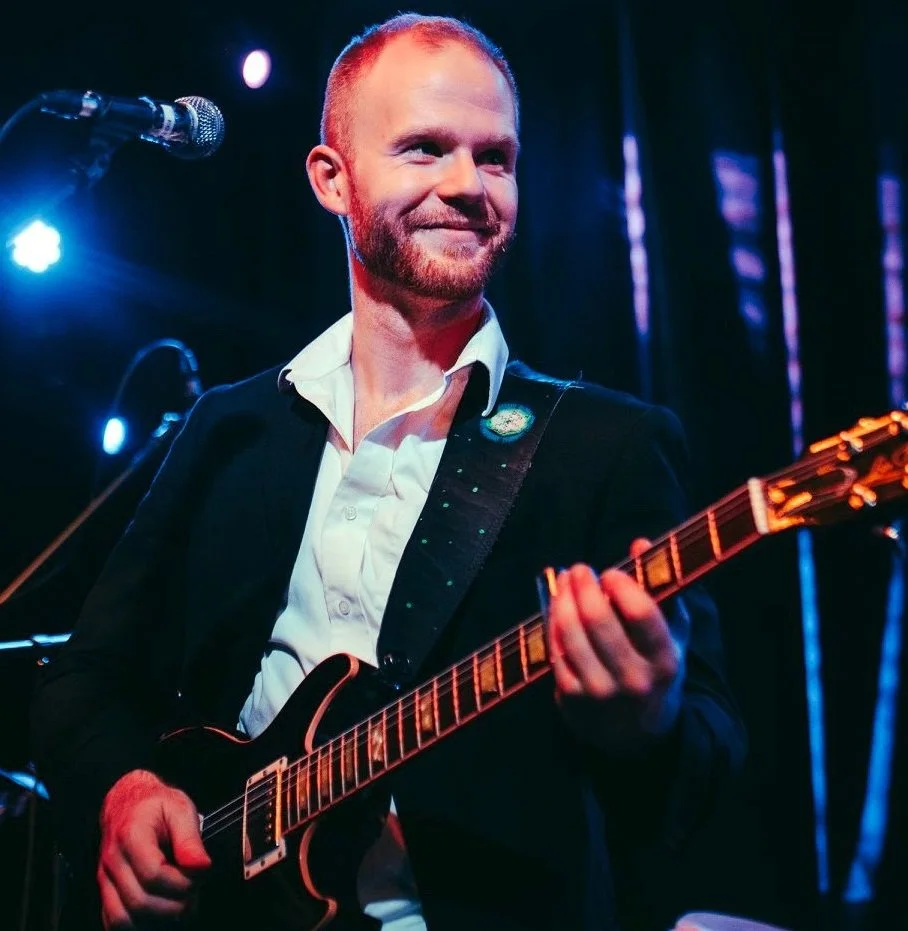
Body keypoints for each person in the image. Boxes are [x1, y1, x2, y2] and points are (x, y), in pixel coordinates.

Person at [31, 12, 746, 931]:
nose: (467, 185)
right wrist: (126, 792)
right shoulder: (232, 426)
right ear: (333, 179)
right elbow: (81, 680)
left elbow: (711, 767)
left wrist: (648, 718)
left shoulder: (602, 445)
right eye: (423, 149)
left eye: (496, 157)